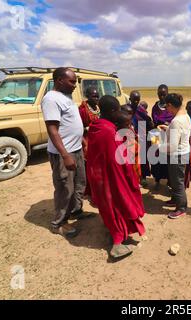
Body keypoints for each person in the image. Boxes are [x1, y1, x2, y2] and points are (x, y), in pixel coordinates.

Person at [86, 95, 146, 258]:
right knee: (118, 206)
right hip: (111, 178)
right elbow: (118, 159)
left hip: (98, 176)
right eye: (118, 110)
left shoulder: (95, 126)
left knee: (108, 208)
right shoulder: (108, 131)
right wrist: (130, 176)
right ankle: (117, 244)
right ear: (113, 111)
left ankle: (114, 232)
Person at [41, 67, 87, 238]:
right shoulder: (51, 99)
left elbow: (70, 122)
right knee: (64, 188)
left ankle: (75, 211)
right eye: (72, 81)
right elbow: (52, 129)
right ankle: (58, 223)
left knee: (80, 184)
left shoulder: (66, 96)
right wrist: (65, 155)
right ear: (59, 80)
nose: (75, 85)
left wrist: (81, 139)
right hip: (64, 153)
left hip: (76, 148)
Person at [158, 93, 191, 219]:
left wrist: (158, 146)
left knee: (177, 182)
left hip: (177, 155)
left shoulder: (176, 121)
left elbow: (172, 146)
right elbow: (182, 133)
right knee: (174, 179)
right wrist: (168, 129)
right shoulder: (185, 115)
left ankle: (181, 207)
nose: (167, 110)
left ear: (171, 105)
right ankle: (175, 199)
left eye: (167, 107)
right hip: (183, 152)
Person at [78, 86, 100, 201]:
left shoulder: (97, 107)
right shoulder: (82, 110)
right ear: (87, 96)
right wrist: (88, 128)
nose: (96, 98)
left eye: (97, 96)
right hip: (87, 140)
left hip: (97, 139)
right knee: (89, 166)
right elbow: (78, 126)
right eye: (93, 96)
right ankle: (89, 191)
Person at [128, 91, 153, 185]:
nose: (136, 102)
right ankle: (133, 177)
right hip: (129, 135)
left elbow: (148, 121)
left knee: (143, 158)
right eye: (134, 100)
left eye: (138, 100)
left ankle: (143, 177)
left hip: (141, 134)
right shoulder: (126, 108)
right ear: (130, 99)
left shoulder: (141, 110)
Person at [151, 84, 173, 187]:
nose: (162, 97)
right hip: (156, 135)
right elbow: (154, 120)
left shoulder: (171, 107)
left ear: (167, 94)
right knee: (156, 158)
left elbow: (174, 121)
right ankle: (157, 180)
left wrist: (166, 124)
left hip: (168, 136)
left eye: (164, 94)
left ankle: (169, 181)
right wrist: (162, 123)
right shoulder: (155, 107)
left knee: (168, 158)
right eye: (160, 94)